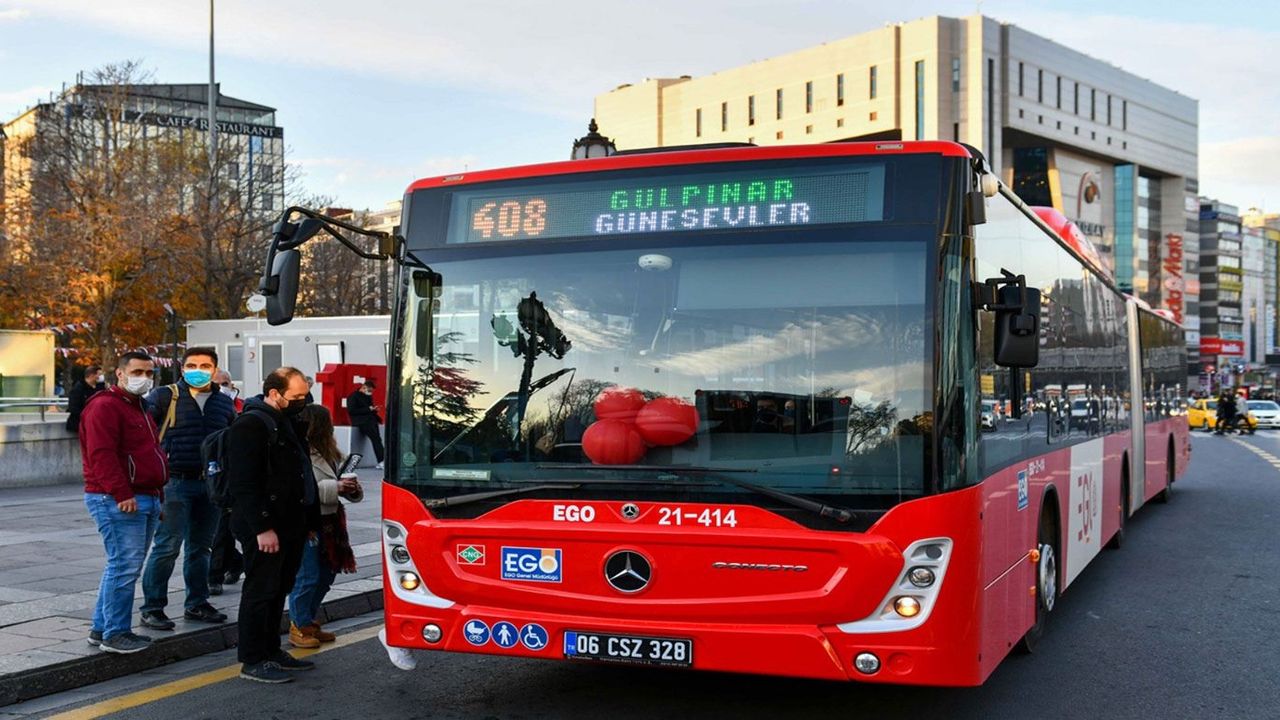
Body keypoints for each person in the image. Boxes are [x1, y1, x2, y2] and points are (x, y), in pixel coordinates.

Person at [226, 367, 319, 683]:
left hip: (290, 522)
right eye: (297, 396)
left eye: (305, 395)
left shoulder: (288, 421)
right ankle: (252, 659)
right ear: (274, 393)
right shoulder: (250, 425)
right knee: (260, 589)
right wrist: (261, 527)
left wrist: (309, 520)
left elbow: (301, 474)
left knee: (279, 588)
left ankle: (271, 650)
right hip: (265, 525)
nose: (303, 401)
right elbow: (243, 483)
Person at [139, 348, 236, 631]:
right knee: (167, 547)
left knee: (201, 548)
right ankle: (152, 607)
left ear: (214, 369)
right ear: (182, 368)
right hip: (174, 483)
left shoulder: (224, 403)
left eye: (205, 365)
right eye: (192, 365)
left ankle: (197, 603)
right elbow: (142, 434)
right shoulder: (164, 396)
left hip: (210, 483)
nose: (198, 369)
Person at [80, 352, 166, 654]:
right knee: (124, 567)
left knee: (122, 566)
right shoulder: (105, 406)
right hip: (118, 498)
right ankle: (115, 634)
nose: (144, 377)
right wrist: (122, 494)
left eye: (149, 372)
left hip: (144, 496)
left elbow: (151, 453)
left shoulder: (138, 406)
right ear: (119, 373)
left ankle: (102, 628)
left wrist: (158, 497)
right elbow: (101, 455)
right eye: (137, 371)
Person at [288, 405, 362, 649]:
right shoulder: (297, 453)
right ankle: (299, 625)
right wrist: (336, 488)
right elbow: (298, 491)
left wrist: (351, 489)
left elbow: (337, 486)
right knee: (308, 575)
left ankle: (308, 620)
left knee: (327, 574)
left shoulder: (329, 452)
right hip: (308, 521)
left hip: (331, 521)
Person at [208, 369, 244, 596]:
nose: (223, 387)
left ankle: (214, 575)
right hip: (209, 473)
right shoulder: (207, 408)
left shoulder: (240, 406)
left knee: (222, 530)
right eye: (218, 383)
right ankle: (236, 562)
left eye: (226, 382)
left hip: (230, 476)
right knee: (214, 532)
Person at [346, 378, 385, 469]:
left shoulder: (368, 397)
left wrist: (374, 410)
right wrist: (369, 409)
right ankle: (381, 460)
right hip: (362, 422)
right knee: (376, 440)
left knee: (377, 440)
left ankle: (382, 460)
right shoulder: (353, 396)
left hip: (371, 421)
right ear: (363, 387)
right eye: (369, 390)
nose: (370, 393)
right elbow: (351, 410)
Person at [65, 364, 106, 434]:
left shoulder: (99, 388)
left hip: (94, 423)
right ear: (91, 375)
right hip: (80, 424)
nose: (101, 377)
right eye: (99, 375)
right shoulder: (78, 389)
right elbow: (73, 408)